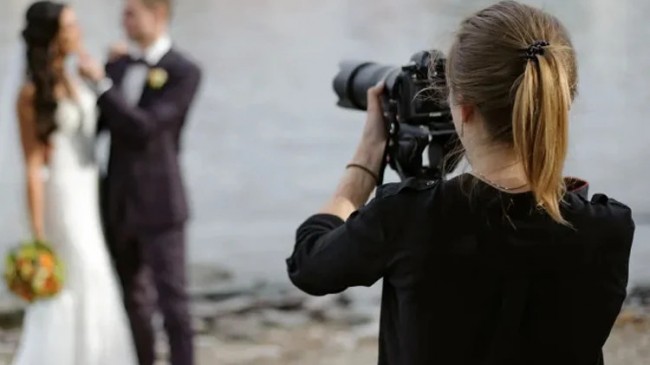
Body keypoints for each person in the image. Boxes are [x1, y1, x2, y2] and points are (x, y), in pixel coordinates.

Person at [286, 1, 635, 364]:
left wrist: (367, 157)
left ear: (463, 109)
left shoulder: (409, 218)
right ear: (562, 101)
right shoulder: (609, 229)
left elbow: (308, 264)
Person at [12, 2, 138, 365]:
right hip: (62, 196)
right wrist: (37, 236)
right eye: (70, 26)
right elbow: (32, 166)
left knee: (97, 272)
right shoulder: (31, 94)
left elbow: (103, 109)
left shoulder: (74, 75)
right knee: (77, 274)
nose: (78, 31)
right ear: (52, 35)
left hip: (87, 192)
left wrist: (113, 67)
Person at [78, 0, 202, 364]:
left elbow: (144, 128)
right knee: (132, 299)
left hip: (161, 202)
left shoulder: (185, 71)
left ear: (158, 14)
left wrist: (100, 85)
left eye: (131, 12)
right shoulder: (116, 66)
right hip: (116, 202)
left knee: (173, 302)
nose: (123, 19)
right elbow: (97, 127)